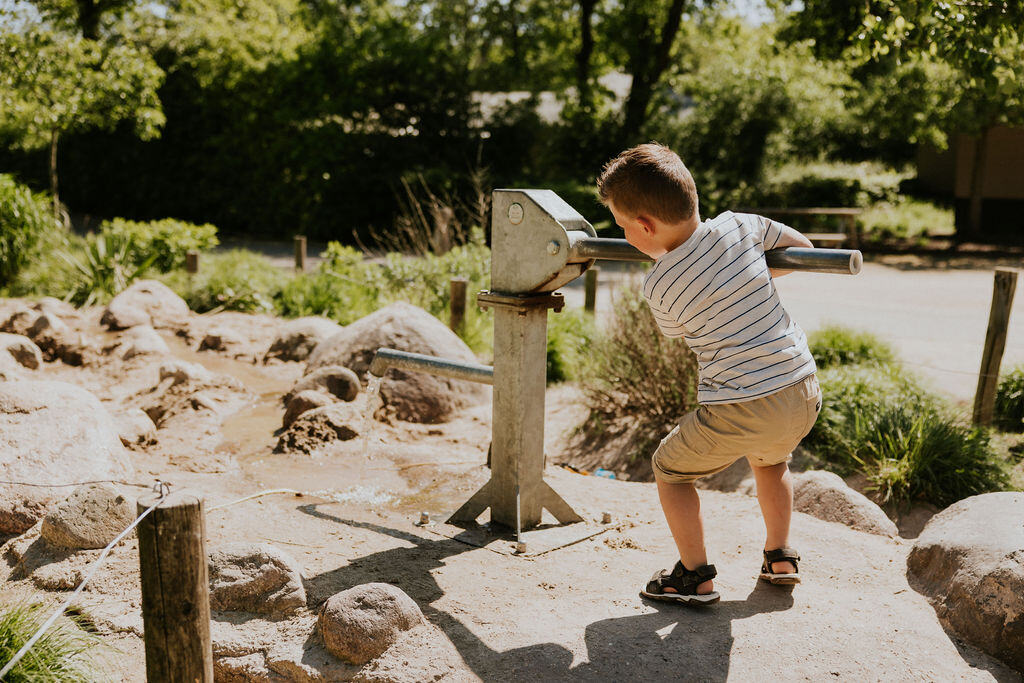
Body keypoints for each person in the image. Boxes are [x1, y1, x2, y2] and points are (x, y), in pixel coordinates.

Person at [596, 143, 822, 605]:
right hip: (801, 388)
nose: (623, 234)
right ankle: (780, 557)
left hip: (743, 404)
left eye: (621, 226)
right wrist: (748, 272)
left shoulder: (659, 283)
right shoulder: (740, 225)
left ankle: (693, 576)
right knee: (771, 461)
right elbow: (804, 249)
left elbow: (676, 333)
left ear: (644, 227)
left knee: (670, 470)